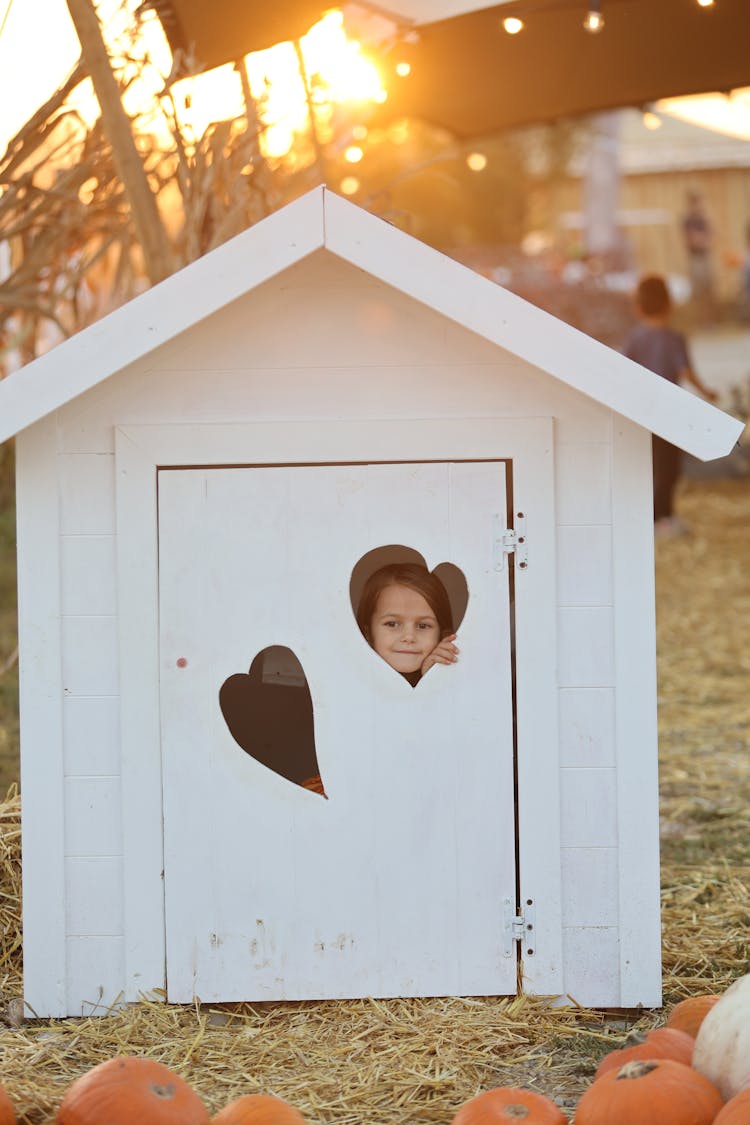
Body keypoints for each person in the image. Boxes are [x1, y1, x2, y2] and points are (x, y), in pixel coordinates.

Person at [624, 274, 719, 538]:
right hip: (669, 415)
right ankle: (663, 519)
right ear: (670, 305)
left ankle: (652, 518)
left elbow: (624, 372)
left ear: (638, 307)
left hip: (642, 413)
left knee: (649, 467)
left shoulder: (634, 338)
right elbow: (686, 372)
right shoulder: (675, 338)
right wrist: (708, 393)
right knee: (669, 469)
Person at [356, 563, 459, 686]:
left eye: (423, 626)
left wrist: (432, 680)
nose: (409, 637)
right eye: (392, 624)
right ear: (368, 633)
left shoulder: (455, 685)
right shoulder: (350, 683)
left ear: (441, 634)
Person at [681, 190, 716, 324]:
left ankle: (710, 320)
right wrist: (701, 239)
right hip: (695, 258)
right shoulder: (688, 220)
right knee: (698, 291)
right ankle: (699, 320)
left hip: (705, 256)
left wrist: (703, 239)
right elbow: (692, 240)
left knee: (709, 289)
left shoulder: (703, 219)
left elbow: (711, 236)